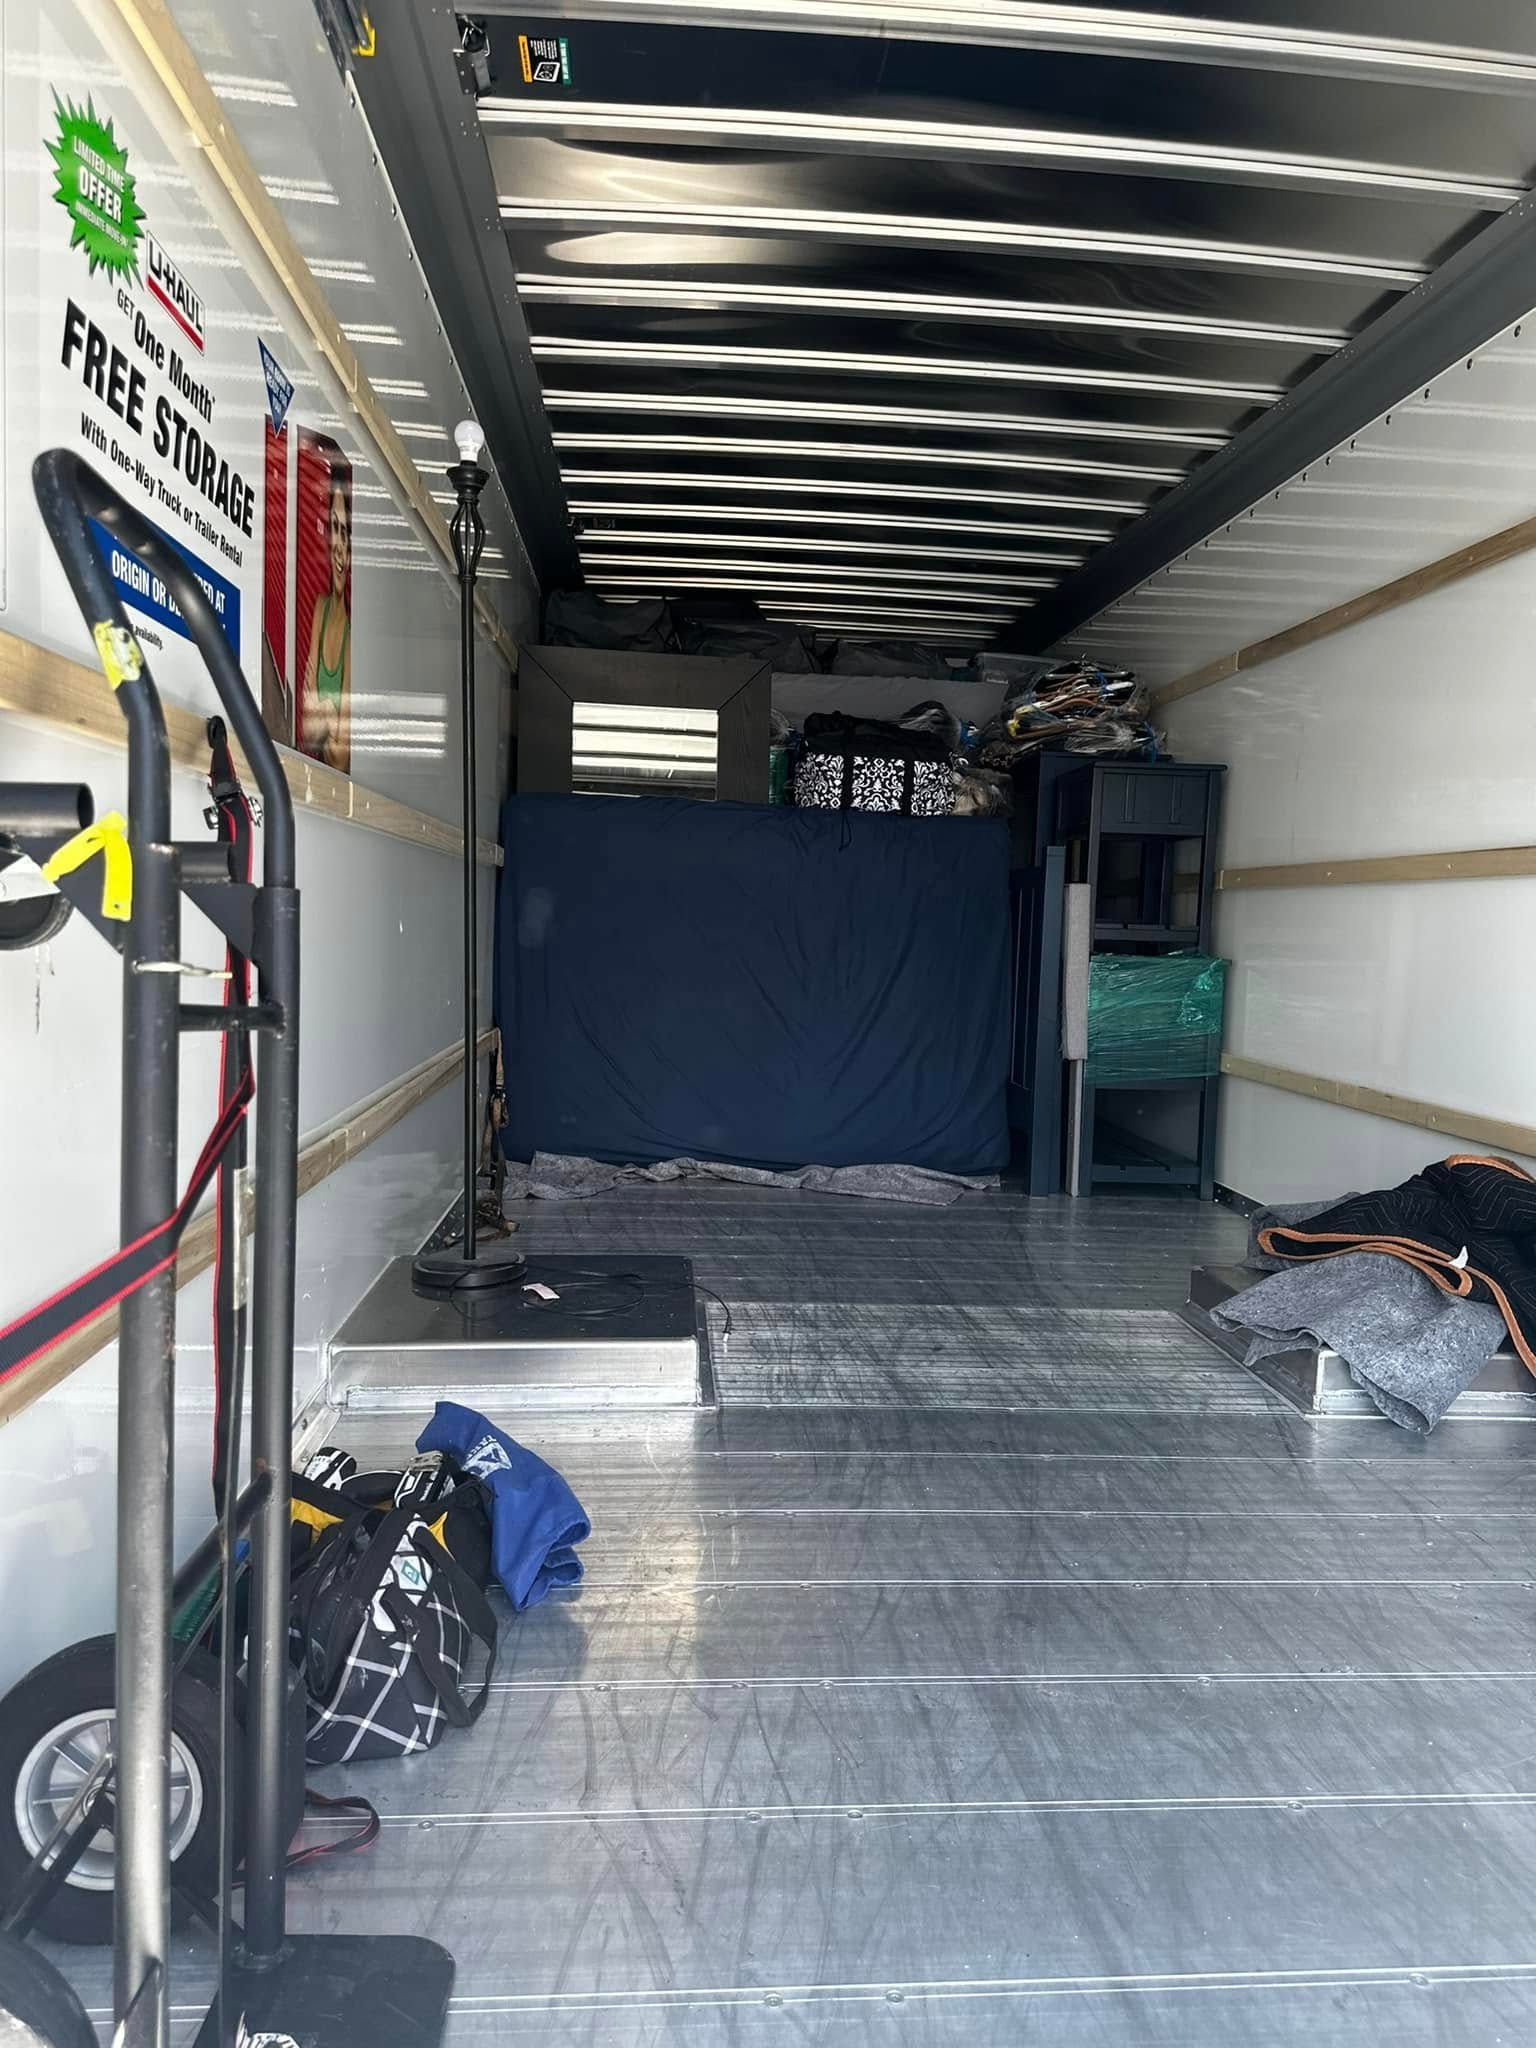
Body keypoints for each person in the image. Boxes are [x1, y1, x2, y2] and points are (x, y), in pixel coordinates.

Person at [301, 467, 351, 772]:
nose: (339, 549)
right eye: (334, 527)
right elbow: (308, 733)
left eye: (346, 533)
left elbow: (340, 758)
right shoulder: (320, 607)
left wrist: (319, 708)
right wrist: (331, 715)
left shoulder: (352, 635)